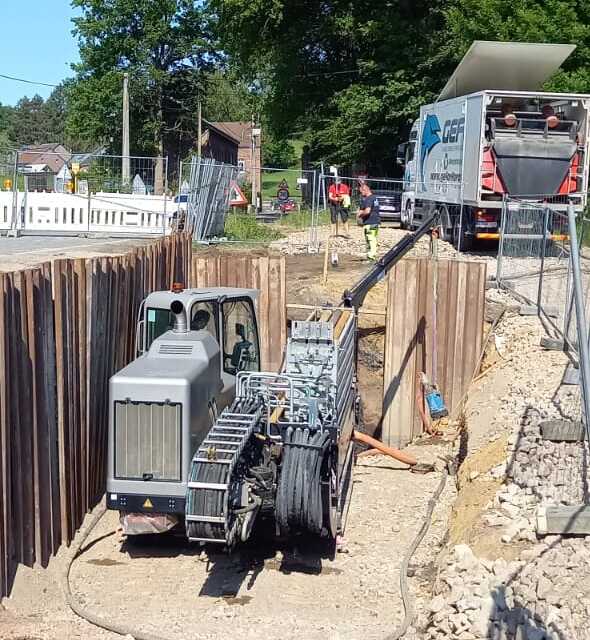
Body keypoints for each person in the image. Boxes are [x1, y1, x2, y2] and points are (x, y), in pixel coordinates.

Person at [357, 182, 380, 261]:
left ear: (365, 190)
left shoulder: (369, 199)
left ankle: (371, 256)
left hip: (371, 223)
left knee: (371, 239)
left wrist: (360, 215)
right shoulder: (374, 198)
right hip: (375, 222)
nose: (361, 194)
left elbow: (367, 211)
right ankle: (370, 255)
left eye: (361, 192)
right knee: (371, 239)